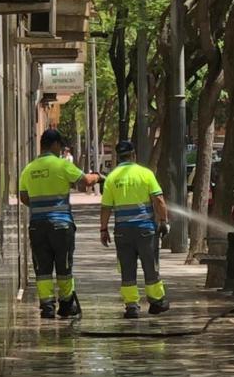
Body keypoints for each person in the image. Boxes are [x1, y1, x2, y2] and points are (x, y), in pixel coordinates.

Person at [19, 129, 101, 318]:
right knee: (64, 266)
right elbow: (85, 181)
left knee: (42, 267)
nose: (61, 149)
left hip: (37, 226)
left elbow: (24, 197)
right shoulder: (62, 165)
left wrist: (40, 206)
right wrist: (98, 176)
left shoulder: (29, 169)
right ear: (55, 144)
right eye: (60, 146)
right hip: (61, 225)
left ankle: (47, 306)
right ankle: (66, 304)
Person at [100, 141, 171, 319]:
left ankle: (131, 306)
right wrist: (163, 221)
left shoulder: (112, 178)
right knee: (150, 266)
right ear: (133, 155)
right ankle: (156, 302)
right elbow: (159, 200)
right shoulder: (145, 174)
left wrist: (103, 229)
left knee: (127, 268)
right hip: (145, 230)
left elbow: (106, 207)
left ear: (118, 157)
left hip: (122, 232)